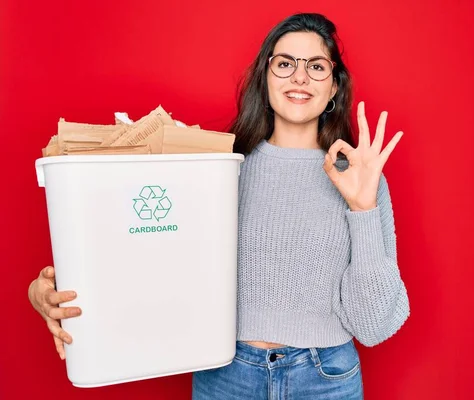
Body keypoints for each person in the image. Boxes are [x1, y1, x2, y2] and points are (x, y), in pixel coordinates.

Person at [28, 12, 410, 399]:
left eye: (316, 66)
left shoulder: (361, 177)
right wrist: (49, 290)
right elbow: (147, 254)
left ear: (333, 87)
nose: (299, 77)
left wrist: (363, 210)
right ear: (265, 78)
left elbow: (373, 324)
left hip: (325, 379)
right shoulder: (218, 168)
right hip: (227, 375)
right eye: (284, 64)